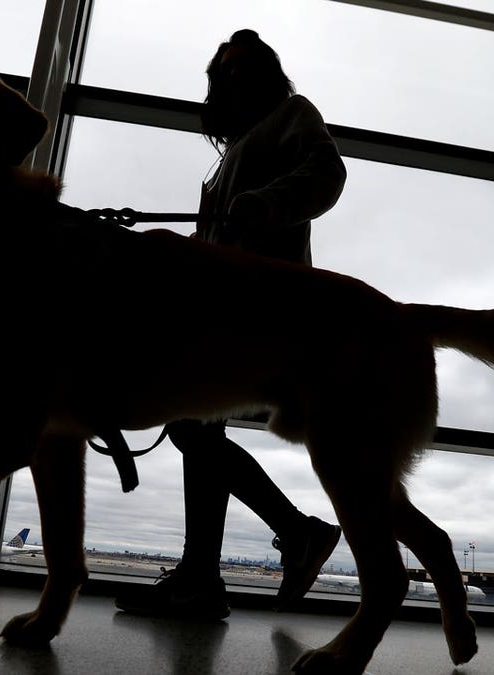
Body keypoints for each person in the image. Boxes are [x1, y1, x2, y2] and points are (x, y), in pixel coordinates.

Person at [116, 29, 348, 620]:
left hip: (260, 307)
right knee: (199, 431)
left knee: (193, 428)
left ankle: (290, 535)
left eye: (239, 68)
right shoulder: (232, 155)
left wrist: (266, 203)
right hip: (225, 308)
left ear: (267, 74)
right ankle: (203, 578)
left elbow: (327, 174)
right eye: (219, 71)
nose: (226, 78)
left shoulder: (291, 115)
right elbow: (217, 239)